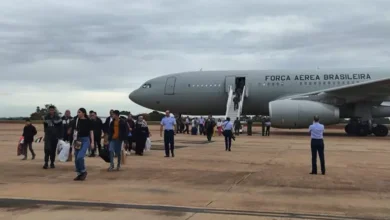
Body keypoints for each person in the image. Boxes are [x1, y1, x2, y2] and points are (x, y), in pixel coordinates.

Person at [70, 108, 94, 181]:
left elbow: (91, 132)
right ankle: (79, 173)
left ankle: (83, 171)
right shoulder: (76, 120)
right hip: (77, 140)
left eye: (79, 112)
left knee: (80, 157)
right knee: (76, 158)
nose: (78, 113)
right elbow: (73, 130)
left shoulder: (88, 121)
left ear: (83, 113)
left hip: (85, 140)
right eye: (77, 112)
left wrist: (92, 142)